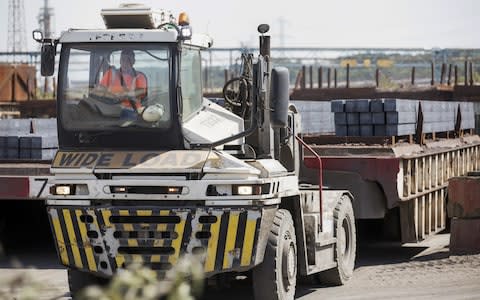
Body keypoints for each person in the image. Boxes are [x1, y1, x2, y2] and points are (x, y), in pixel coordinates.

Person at [98, 49, 147, 118]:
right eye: (123, 59)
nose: (126, 62)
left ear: (133, 61)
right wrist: (111, 96)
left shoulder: (139, 76)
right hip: (110, 108)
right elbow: (100, 91)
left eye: (129, 60)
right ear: (120, 61)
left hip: (130, 110)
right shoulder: (110, 73)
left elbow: (141, 93)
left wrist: (124, 95)